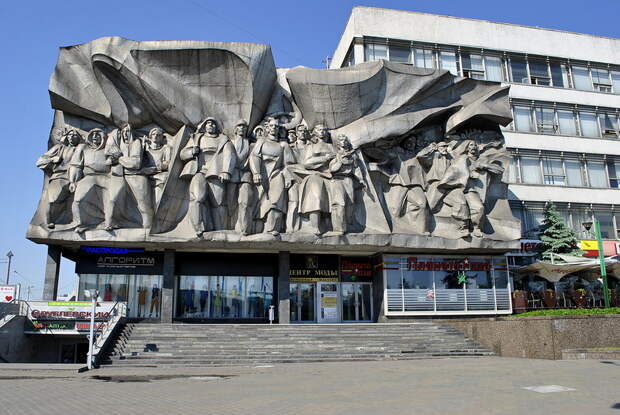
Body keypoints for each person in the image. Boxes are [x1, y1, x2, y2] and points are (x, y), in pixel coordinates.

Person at [180, 117, 236, 236]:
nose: (211, 126)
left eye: (213, 124)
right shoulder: (197, 138)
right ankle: (199, 228)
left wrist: (226, 172)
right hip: (199, 172)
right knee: (197, 198)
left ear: (217, 127)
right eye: (208, 123)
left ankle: (220, 230)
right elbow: (183, 154)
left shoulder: (223, 139)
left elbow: (230, 155)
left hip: (216, 173)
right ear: (204, 126)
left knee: (218, 203)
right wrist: (191, 152)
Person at [250, 117, 295, 235]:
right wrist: (256, 173)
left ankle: (273, 228)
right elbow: (254, 156)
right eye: (271, 126)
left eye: (276, 126)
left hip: (276, 174)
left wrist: (287, 176)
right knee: (259, 204)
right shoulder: (261, 141)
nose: (274, 128)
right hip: (262, 175)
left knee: (276, 201)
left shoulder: (283, 145)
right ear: (267, 128)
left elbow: (289, 165)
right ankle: (258, 229)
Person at [105, 124, 154, 230]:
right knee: (113, 200)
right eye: (123, 132)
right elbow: (108, 161)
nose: (125, 134)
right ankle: (111, 223)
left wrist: (119, 159)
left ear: (131, 132)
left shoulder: (136, 143)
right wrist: (114, 158)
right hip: (119, 176)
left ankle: (148, 227)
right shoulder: (118, 146)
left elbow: (135, 163)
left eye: (127, 131)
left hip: (136, 176)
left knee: (143, 205)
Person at [36, 129, 81, 229]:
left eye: (74, 135)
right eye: (70, 135)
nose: (71, 137)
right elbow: (40, 161)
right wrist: (52, 159)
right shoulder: (60, 148)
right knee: (53, 199)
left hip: (78, 178)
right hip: (60, 176)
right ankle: (50, 220)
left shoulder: (82, 148)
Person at [70, 128, 112, 233]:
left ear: (103, 137)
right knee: (78, 201)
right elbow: (76, 166)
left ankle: (109, 221)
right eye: (92, 135)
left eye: (97, 135)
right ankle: (82, 223)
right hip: (88, 177)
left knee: (112, 200)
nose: (94, 137)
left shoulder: (108, 149)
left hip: (106, 177)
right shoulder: (83, 148)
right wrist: (73, 181)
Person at [298, 124, 336, 235]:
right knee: (315, 191)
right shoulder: (312, 146)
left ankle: (333, 225)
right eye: (319, 130)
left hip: (331, 175)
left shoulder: (331, 147)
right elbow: (307, 163)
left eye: (324, 130)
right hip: (316, 174)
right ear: (315, 132)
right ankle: (315, 226)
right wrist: (325, 158)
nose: (322, 131)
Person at [227, 120, 256, 234]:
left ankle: (244, 228)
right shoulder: (230, 142)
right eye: (239, 126)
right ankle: (230, 225)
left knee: (245, 201)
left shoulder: (250, 143)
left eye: (244, 127)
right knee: (230, 201)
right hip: (232, 174)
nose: (242, 128)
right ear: (235, 129)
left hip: (246, 175)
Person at [327, 134, 360, 235]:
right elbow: (332, 169)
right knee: (339, 203)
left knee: (351, 203)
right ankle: (338, 228)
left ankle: (349, 225)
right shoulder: (335, 154)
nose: (344, 142)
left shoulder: (352, 154)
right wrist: (341, 160)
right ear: (337, 143)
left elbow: (356, 168)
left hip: (348, 179)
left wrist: (361, 180)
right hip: (337, 179)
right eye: (341, 140)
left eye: (345, 140)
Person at [143, 127, 172, 203]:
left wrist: (161, 166)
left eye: (158, 135)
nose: (155, 136)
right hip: (146, 174)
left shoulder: (166, 148)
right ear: (150, 136)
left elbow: (168, 163)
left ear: (162, 137)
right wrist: (143, 145)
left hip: (159, 175)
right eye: (153, 134)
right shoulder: (146, 149)